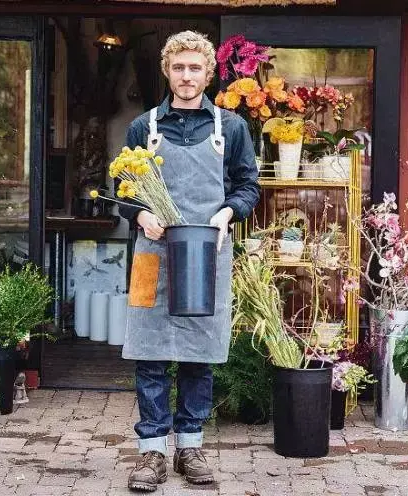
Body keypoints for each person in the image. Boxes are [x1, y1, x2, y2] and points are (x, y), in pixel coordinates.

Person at [118, 31, 260, 492]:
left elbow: (247, 187)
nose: (186, 76)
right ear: (167, 71)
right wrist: (141, 214)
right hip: (153, 258)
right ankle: (152, 454)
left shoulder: (231, 129)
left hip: (207, 257)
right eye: (178, 67)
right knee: (151, 356)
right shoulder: (145, 128)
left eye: (194, 68)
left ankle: (191, 448)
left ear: (208, 72)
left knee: (200, 355)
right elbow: (124, 193)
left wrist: (227, 211)